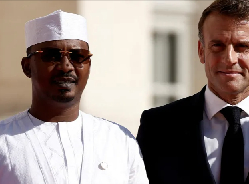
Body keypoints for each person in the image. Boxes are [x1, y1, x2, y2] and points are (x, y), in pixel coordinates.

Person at [137, 0, 249, 184]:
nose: (229, 59)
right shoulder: (159, 127)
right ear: (201, 51)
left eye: (242, 47)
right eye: (217, 46)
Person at [0, 10, 148, 184]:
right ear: (27, 67)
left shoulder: (119, 140)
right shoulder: (4, 139)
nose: (66, 67)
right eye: (52, 56)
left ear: (89, 65)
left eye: (78, 57)